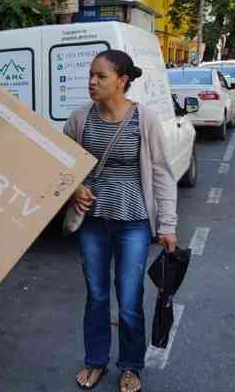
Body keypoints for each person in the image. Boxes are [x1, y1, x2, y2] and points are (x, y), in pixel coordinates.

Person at [64, 49, 178, 392]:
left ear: (122, 81)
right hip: (93, 221)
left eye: (101, 76)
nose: (92, 82)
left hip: (134, 222)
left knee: (129, 299)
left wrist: (167, 224)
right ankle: (95, 361)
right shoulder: (79, 119)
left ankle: (131, 365)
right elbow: (62, 165)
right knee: (96, 295)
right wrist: (75, 188)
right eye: (91, 75)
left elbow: (162, 173)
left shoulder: (144, 119)